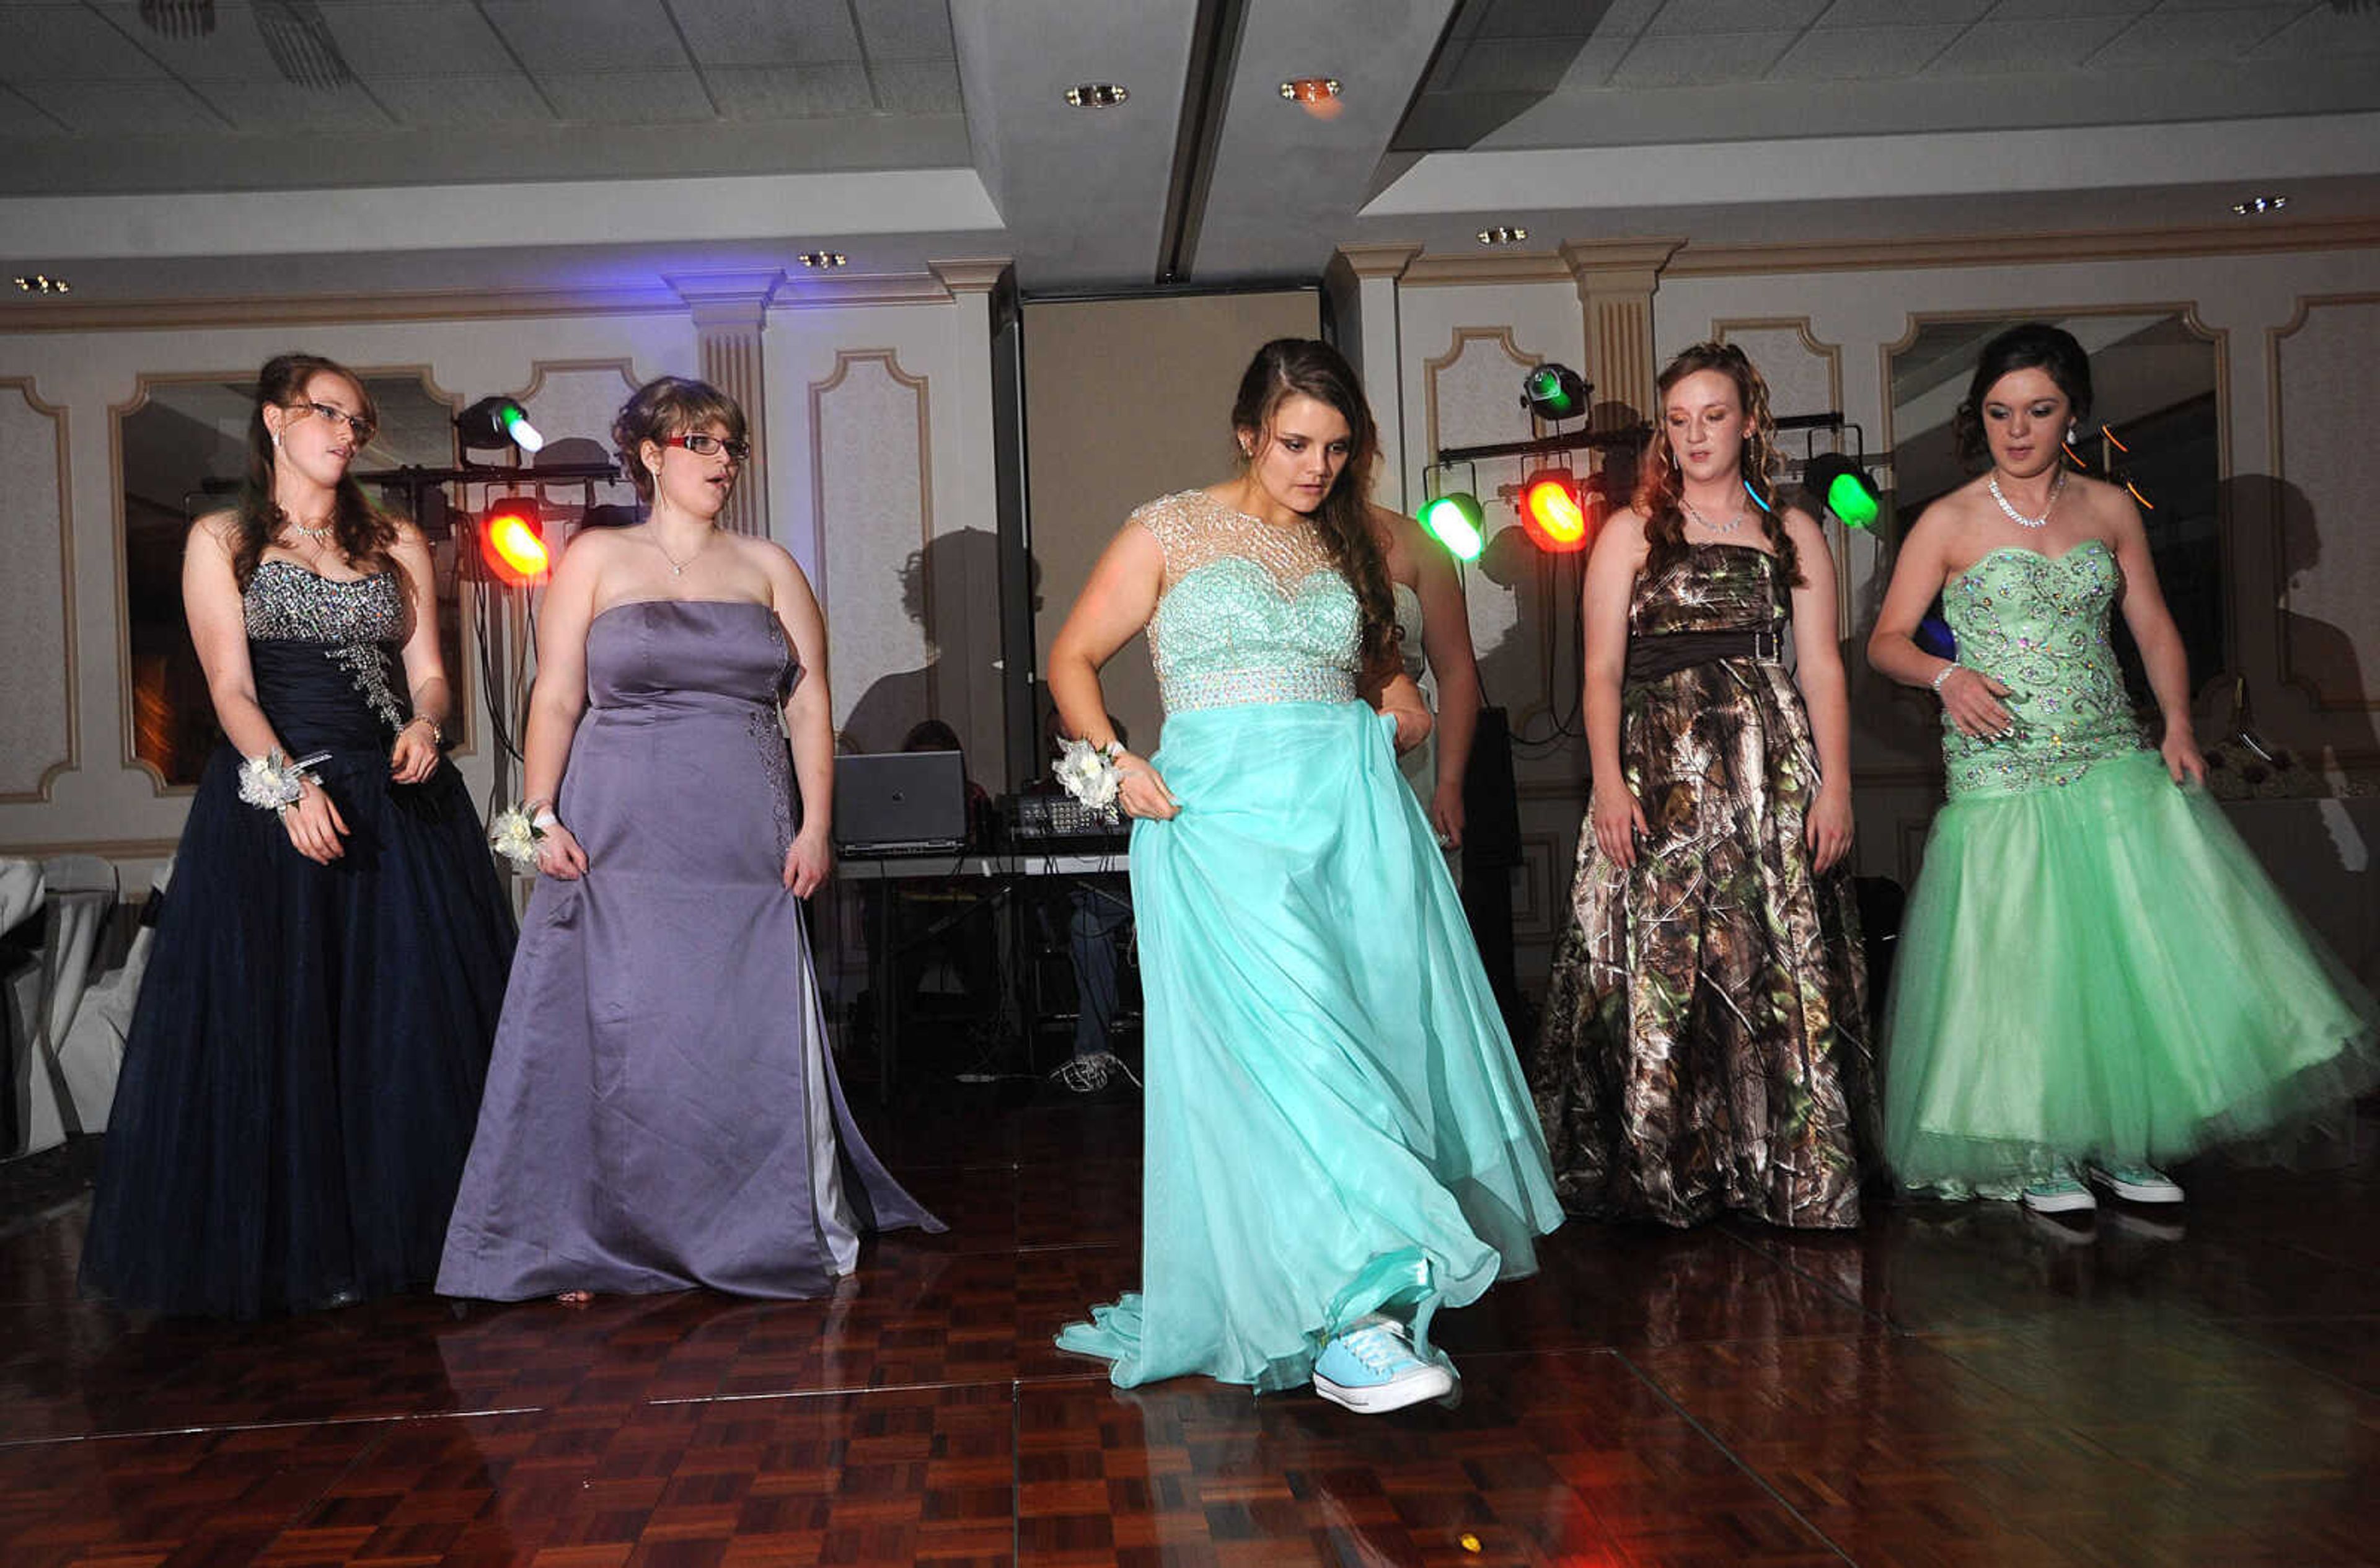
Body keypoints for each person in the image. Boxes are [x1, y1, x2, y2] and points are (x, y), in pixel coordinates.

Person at [1046, 338, 1561, 1414]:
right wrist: (1112, 764)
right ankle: (1355, 1321)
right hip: (1218, 830)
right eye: (1294, 443)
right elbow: (1072, 659)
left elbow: (1390, 679)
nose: (1315, 467)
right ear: (1248, 433)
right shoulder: (1167, 529)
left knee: (1365, 1057)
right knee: (1303, 1058)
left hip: (1352, 830)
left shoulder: (1355, 551)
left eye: (1335, 448)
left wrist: (1403, 709)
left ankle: (1343, 1304)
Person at [437, 376, 940, 1302]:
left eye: (732, 446)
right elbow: (554, 695)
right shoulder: (593, 558)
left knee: (736, 1032)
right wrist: (538, 811)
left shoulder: (769, 566)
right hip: (619, 824)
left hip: (741, 831)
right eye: (702, 443)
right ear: (651, 455)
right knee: (621, 1030)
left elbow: (809, 700)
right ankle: (588, 1232)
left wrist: (817, 823)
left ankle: (764, 1221)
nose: (722, 461)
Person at [1868, 322, 2375, 1213]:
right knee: (2029, 961)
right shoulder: (1948, 521)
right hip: (2002, 766)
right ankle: (2037, 1148)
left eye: (2038, 410)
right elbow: (1885, 642)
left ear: (2074, 415)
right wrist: (1946, 674)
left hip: (2110, 752)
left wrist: (2178, 722)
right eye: (1998, 411)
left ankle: (2125, 1138)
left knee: (2131, 951)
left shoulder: (2109, 509)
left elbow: (2151, 627)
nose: (2016, 430)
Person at [81, 353, 514, 1317]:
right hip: (279, 803)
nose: (347, 433)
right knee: (290, 1022)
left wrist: (428, 724)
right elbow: (230, 690)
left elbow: (431, 673)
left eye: (358, 421)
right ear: (276, 420)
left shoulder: (398, 536)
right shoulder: (222, 538)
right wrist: (285, 793)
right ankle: (304, 1248)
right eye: (330, 414)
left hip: (404, 805)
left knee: (401, 1023)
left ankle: (427, 1232)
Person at [1528, 341, 1873, 1230]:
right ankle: (1667, 1161)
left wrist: (1835, 788)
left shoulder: (1793, 527)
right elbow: (1601, 670)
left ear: (1750, 420)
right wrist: (1607, 782)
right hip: (1658, 771)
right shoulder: (1632, 529)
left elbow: (1824, 669)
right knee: (1667, 963)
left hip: (1771, 770)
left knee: (1768, 962)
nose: (1695, 435)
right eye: (1678, 420)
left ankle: (1778, 1165)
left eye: (1713, 416)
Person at [1374, 504, 1484, 850]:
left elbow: (1457, 672)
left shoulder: (1414, 541)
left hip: (1410, 756)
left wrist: (1449, 783)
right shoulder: (1276, 538)